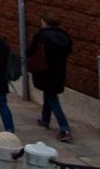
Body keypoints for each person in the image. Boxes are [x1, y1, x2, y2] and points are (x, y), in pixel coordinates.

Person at [27, 13, 73, 142]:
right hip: (59, 71)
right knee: (49, 94)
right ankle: (45, 119)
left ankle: (64, 128)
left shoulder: (41, 36)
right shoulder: (64, 36)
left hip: (45, 70)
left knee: (52, 98)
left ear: (45, 22)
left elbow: (30, 51)